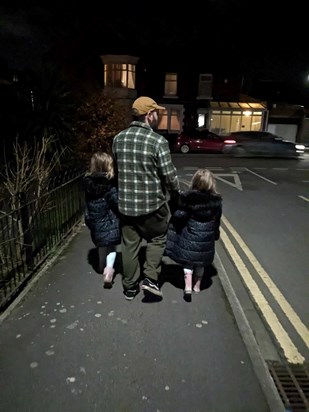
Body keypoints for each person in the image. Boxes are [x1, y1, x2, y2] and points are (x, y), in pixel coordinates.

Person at [112, 96, 180, 301]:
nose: (158, 116)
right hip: (152, 206)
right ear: (149, 115)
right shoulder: (158, 141)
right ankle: (150, 279)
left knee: (129, 246)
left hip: (125, 206)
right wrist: (175, 193)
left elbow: (117, 171)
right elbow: (169, 176)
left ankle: (130, 288)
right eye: (156, 112)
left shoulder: (118, 139)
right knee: (158, 238)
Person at [164, 168, 222, 300]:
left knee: (188, 263)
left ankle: (188, 287)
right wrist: (215, 234)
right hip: (206, 239)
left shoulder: (188, 199)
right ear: (211, 183)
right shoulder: (216, 202)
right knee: (200, 264)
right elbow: (217, 221)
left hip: (189, 236)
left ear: (195, 182)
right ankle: (197, 285)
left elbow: (179, 215)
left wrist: (175, 203)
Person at [83, 152, 121, 288]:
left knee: (101, 244)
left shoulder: (88, 184)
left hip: (95, 220)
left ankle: (100, 265)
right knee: (111, 245)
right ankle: (109, 270)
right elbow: (115, 202)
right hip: (111, 220)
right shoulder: (110, 184)